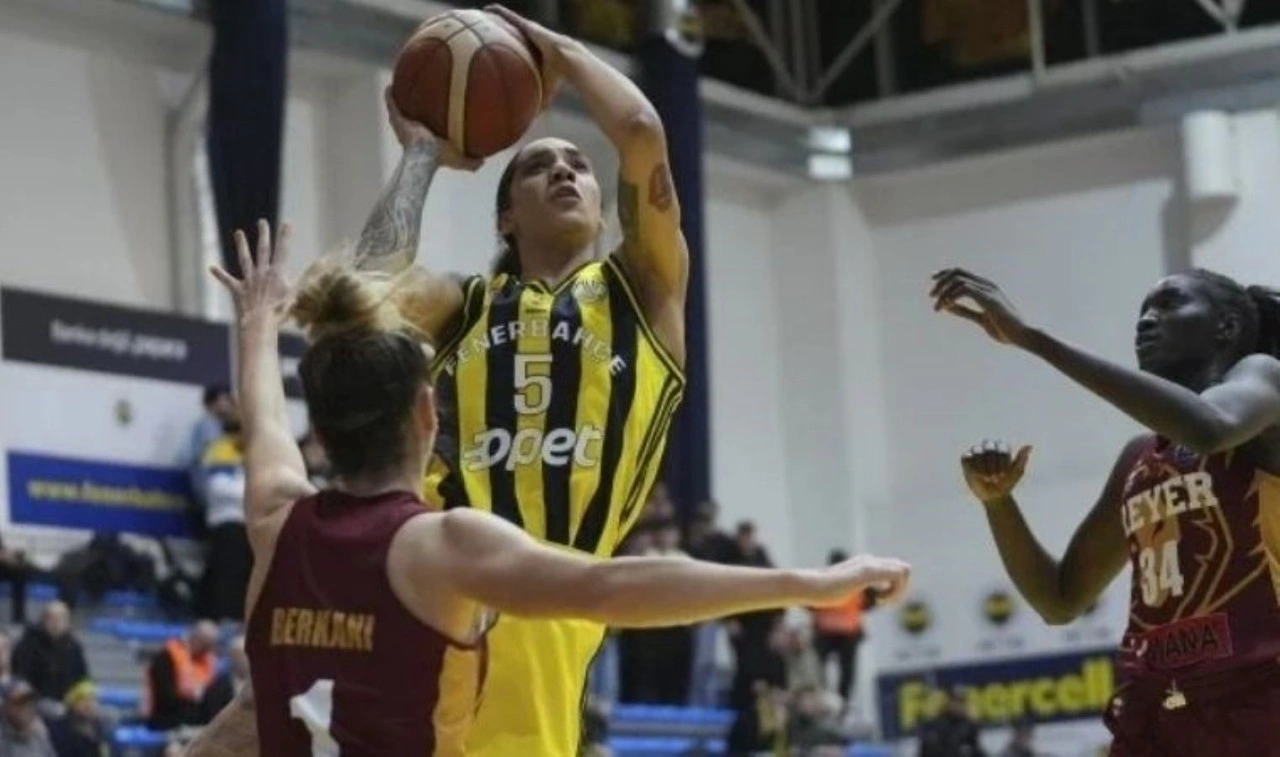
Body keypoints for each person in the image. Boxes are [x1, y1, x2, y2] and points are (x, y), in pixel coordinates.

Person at [197, 219, 908, 756]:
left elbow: (265, 422)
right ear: (427, 413)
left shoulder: (275, 522)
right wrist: (812, 584)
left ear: (320, 431)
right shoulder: (440, 546)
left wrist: (257, 325)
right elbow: (612, 587)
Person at [932, 267, 1280, 756]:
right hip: (1159, 707)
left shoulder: (1263, 380)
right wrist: (998, 502)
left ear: (1227, 326)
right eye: (1143, 310)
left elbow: (1211, 427)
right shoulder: (1140, 459)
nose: (1146, 320)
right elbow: (1059, 599)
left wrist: (1033, 339)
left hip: (1259, 692)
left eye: (1169, 304)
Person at [809, 549, 875, 707]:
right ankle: (833, 703)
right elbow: (870, 602)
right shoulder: (857, 584)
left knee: (835, 672)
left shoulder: (822, 582)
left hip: (837, 633)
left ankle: (836, 703)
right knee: (838, 672)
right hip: (836, 633)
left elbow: (807, 604)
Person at [143, 620, 219, 730]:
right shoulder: (168, 656)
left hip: (198, 720)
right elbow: (165, 695)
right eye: (205, 644)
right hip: (167, 719)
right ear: (195, 638)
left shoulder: (208, 661)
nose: (207, 650)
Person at [11, 602, 87, 703]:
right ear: (43, 620)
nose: (56, 623)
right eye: (52, 618)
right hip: (33, 699)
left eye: (61, 619)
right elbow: (21, 675)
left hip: (67, 700)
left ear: (68, 623)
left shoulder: (73, 647)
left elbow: (82, 678)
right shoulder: (29, 643)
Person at [47, 681, 110, 757]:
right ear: (72, 704)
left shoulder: (100, 727)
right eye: (83, 700)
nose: (89, 705)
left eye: (92, 699)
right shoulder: (60, 729)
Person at [918, 688, 984, 757]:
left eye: (960, 703)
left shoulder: (970, 726)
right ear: (948, 704)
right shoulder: (939, 724)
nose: (957, 706)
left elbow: (976, 749)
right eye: (954, 702)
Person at [0, 679, 54, 757]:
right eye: (19, 703)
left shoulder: (40, 732)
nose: (25, 708)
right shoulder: (3, 738)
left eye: (29, 703)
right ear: (6, 707)